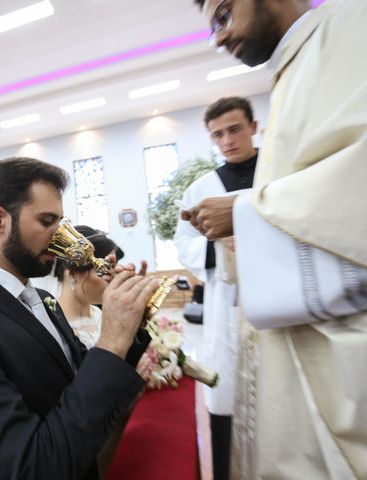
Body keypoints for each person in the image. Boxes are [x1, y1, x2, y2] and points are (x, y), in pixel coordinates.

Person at [189, 1, 367, 478]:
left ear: (251, 128)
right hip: (275, 331)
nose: (219, 38)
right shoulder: (292, 70)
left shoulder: (353, 29)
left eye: (224, 15)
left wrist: (245, 215)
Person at [0, 157, 158, 480]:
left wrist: (131, 321)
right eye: (47, 222)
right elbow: (28, 467)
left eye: (61, 223)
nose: (59, 238)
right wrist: (112, 339)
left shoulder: (43, 299)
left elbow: (78, 378)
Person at [173, 96, 258, 480]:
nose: (227, 140)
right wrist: (217, 242)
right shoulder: (201, 188)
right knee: (230, 394)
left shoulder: (279, 172)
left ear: (254, 128)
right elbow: (185, 245)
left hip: (287, 298)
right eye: (217, 134)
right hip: (230, 302)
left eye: (235, 129)